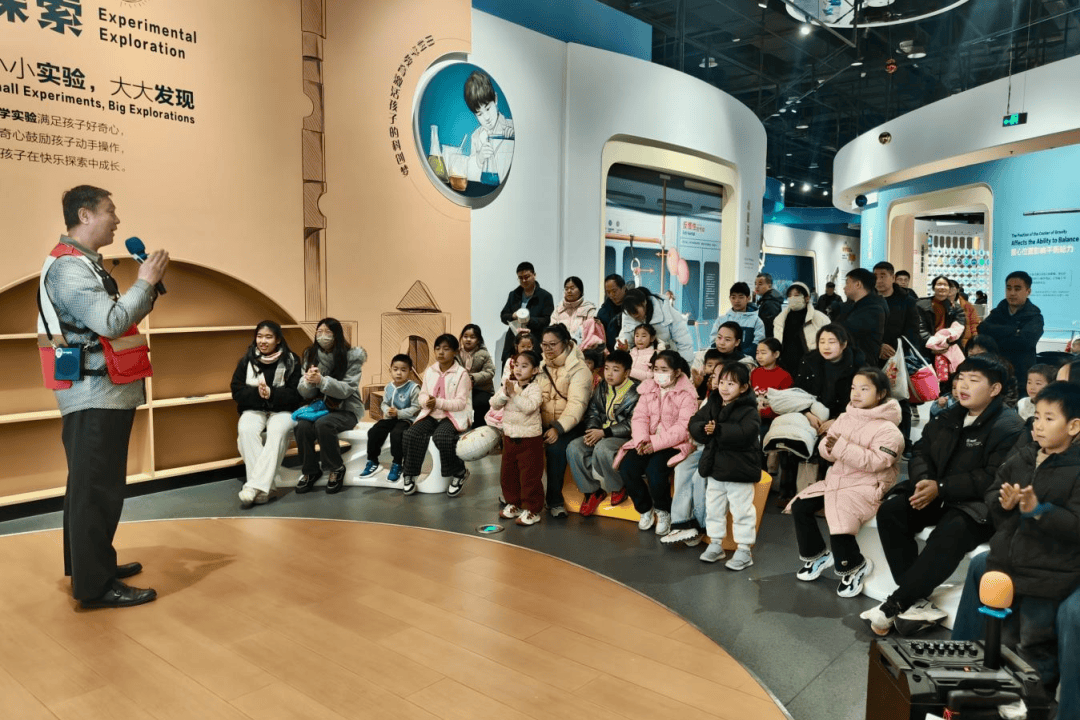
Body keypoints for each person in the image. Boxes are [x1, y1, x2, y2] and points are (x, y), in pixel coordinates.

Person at [42, 185, 168, 609]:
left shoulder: (81, 264)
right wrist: (144, 283)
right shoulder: (69, 269)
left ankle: (91, 567)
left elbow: (111, 321)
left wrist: (147, 289)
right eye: (110, 211)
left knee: (90, 487)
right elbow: (112, 322)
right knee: (97, 489)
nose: (117, 220)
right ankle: (95, 586)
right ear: (85, 215)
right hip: (94, 395)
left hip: (101, 393)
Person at [862, 355, 1024, 636]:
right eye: (960, 378)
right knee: (893, 511)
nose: (963, 385)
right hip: (939, 492)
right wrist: (924, 481)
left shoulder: (1009, 426)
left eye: (973, 380)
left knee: (953, 529)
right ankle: (916, 600)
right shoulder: (950, 415)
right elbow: (921, 451)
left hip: (979, 505)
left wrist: (942, 487)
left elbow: (993, 476)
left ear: (995, 389)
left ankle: (897, 603)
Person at [952, 382, 1080, 714]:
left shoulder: (1076, 469)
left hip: (1048, 576)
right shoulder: (1023, 455)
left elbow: (1075, 525)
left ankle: (1033, 702)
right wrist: (1003, 502)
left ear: (1074, 426)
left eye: (1049, 418)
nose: (1039, 424)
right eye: (1037, 416)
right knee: (1005, 638)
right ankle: (1002, 692)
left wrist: (1039, 511)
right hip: (1008, 566)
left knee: (1036, 646)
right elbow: (994, 492)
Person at [787, 367, 903, 597]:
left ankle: (854, 565)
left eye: (864, 389)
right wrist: (829, 447)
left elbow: (878, 461)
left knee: (840, 517)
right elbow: (828, 447)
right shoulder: (845, 417)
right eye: (853, 388)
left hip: (868, 486)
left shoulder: (889, 429)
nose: (856, 393)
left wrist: (840, 447)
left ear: (881, 394)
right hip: (837, 480)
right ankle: (818, 555)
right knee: (800, 505)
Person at [614, 349, 697, 536]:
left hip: (673, 444)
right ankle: (644, 509)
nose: (659, 374)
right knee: (627, 467)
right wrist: (642, 440)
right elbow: (639, 417)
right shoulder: (648, 389)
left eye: (664, 370)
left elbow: (683, 428)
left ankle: (663, 510)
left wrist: (655, 444)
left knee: (655, 471)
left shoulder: (687, 394)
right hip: (647, 440)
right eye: (656, 369)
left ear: (677, 372)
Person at [690, 362, 762, 568]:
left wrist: (718, 430)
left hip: (740, 469)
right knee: (714, 508)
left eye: (731, 384)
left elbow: (745, 434)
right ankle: (715, 543)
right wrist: (704, 428)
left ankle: (744, 550)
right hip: (716, 468)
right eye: (721, 382)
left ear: (744, 387)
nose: (724, 387)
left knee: (742, 511)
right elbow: (695, 421)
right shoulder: (713, 402)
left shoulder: (749, 410)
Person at [230, 321, 303, 507]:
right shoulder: (247, 360)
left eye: (268, 337)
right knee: (246, 430)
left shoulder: (292, 360)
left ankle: (253, 487)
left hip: (283, 410)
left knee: (277, 431)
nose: (263, 341)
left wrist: (272, 393)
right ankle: (266, 489)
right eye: (259, 336)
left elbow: (297, 394)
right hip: (254, 408)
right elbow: (236, 391)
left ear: (278, 340)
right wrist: (258, 394)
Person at [294, 318, 368, 495]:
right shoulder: (310, 355)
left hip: (346, 410)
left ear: (337, 335)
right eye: (319, 332)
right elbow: (304, 393)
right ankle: (310, 471)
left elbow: (347, 389)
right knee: (302, 426)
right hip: (320, 408)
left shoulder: (351, 356)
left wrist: (322, 381)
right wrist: (309, 381)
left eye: (328, 332)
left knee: (324, 424)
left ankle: (336, 468)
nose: (323, 336)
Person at [566, 350, 639, 516]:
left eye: (615, 370)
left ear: (627, 372)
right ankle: (592, 491)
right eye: (607, 368)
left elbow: (633, 423)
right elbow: (593, 411)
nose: (609, 374)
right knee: (574, 447)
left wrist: (604, 432)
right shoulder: (602, 386)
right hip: (601, 432)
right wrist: (592, 431)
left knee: (603, 448)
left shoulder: (637, 391)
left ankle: (618, 487)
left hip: (624, 437)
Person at [400, 334, 473, 497]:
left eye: (446, 349)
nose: (441, 352)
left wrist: (438, 403)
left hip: (452, 416)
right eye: (438, 348)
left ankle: (459, 473)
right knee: (410, 434)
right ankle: (409, 473)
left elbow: (461, 403)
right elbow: (422, 395)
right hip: (431, 414)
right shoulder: (430, 371)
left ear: (455, 352)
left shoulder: (462, 374)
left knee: (443, 437)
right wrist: (426, 402)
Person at [536, 324, 592, 517]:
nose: (548, 349)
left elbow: (577, 405)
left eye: (553, 344)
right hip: (541, 422)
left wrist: (558, 428)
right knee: (518, 441)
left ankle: (554, 502)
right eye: (544, 345)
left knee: (555, 449)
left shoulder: (580, 369)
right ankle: (518, 497)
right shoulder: (540, 365)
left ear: (566, 343)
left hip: (571, 425)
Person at [491, 349, 546, 526]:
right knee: (508, 475)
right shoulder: (509, 385)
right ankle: (513, 503)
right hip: (509, 438)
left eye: (524, 366)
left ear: (535, 370)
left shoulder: (535, 388)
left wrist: (514, 394)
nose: (518, 369)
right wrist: (504, 394)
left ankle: (532, 510)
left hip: (530, 440)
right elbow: (494, 404)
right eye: (516, 365)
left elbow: (530, 407)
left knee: (529, 477)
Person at [874, 261, 920, 451]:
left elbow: (913, 331)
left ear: (893, 278)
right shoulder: (869, 299)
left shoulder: (907, 301)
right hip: (872, 357)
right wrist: (877, 346)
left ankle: (905, 441)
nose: (879, 280)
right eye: (875, 276)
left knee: (900, 399)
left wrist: (896, 350)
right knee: (874, 400)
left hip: (897, 359)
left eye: (883, 276)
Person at [358, 354, 421, 483]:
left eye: (403, 370)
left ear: (409, 372)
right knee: (374, 431)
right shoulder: (389, 387)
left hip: (406, 419)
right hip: (390, 419)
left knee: (397, 434)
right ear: (390, 370)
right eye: (395, 369)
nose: (399, 373)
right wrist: (387, 410)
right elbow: (384, 403)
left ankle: (397, 464)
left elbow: (416, 407)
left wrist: (399, 413)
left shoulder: (413, 388)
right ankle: (373, 461)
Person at [978, 270, 1044, 384]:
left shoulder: (1034, 316)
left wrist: (996, 336)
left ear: (1028, 291)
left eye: (1017, 289)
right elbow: (982, 329)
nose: (1012, 293)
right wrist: (1014, 330)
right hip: (995, 371)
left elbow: (1024, 343)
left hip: (1020, 374)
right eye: (1009, 288)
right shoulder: (997, 312)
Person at [617, 287, 694, 363]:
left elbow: (684, 342)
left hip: (668, 360)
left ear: (644, 303)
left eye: (635, 311)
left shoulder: (666, 311)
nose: (634, 315)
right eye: (630, 313)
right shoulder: (627, 316)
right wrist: (623, 348)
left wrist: (684, 365)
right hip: (641, 363)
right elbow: (625, 340)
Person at [463, 69, 514, 185]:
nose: (486, 117)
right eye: (479, 114)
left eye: (487, 108)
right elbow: (470, 176)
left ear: (495, 100)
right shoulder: (476, 137)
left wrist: (513, 139)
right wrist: (479, 159)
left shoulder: (512, 129)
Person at [498, 262, 554, 363]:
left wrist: (529, 320)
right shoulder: (513, 295)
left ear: (534, 275)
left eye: (526, 277)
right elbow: (503, 316)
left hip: (534, 342)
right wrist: (513, 316)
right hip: (513, 342)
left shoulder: (545, 296)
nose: (524, 280)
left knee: (533, 368)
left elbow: (546, 320)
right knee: (509, 369)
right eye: (520, 278)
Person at [774, 281, 830, 375]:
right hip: (785, 366)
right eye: (790, 296)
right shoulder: (780, 319)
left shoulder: (820, 318)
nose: (792, 298)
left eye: (796, 295)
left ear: (807, 298)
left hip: (811, 366)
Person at [835, 268, 887, 366]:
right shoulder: (855, 305)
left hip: (863, 366)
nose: (844, 288)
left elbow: (844, 329)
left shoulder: (873, 309)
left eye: (847, 283)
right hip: (853, 363)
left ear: (858, 284)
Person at [915, 275, 966, 363]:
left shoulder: (956, 308)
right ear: (933, 288)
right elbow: (920, 329)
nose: (942, 287)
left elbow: (958, 328)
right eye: (939, 284)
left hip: (948, 349)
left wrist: (945, 344)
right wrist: (933, 346)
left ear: (949, 289)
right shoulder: (921, 305)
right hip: (926, 349)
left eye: (945, 285)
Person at [709, 282, 765, 355]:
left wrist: (741, 357)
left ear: (748, 298)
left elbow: (758, 344)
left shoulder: (756, 321)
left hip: (746, 359)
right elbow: (713, 341)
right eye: (733, 297)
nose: (736, 301)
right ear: (729, 298)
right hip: (723, 358)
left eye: (741, 297)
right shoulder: (721, 320)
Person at [457, 324, 495, 427]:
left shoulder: (483, 353)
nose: (468, 339)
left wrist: (473, 377)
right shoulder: (456, 354)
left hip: (481, 389)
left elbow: (490, 372)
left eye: (472, 337)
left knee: (480, 403)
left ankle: (479, 428)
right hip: (461, 389)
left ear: (478, 340)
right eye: (465, 336)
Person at [752, 338, 794, 428]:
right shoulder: (754, 372)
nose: (759, 356)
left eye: (763, 353)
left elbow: (784, 405)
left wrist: (762, 412)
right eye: (757, 353)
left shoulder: (785, 377)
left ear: (776, 354)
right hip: (753, 415)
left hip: (772, 420)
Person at [550, 276, 598, 347]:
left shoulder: (589, 309)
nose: (569, 291)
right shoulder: (558, 309)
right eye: (566, 289)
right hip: (561, 347)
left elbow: (590, 332)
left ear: (580, 290)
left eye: (572, 288)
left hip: (582, 348)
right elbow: (552, 330)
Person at [597, 273, 627, 352]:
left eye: (614, 291)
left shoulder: (634, 307)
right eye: (608, 292)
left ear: (624, 288)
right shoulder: (603, 312)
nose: (611, 295)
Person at [948, 279, 978, 348]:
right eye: (947, 287)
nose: (949, 289)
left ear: (957, 289)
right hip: (946, 342)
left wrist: (975, 337)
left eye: (951, 287)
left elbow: (974, 322)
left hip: (964, 342)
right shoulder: (939, 305)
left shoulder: (967, 305)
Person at [754, 273, 784, 339]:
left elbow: (769, 327)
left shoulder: (771, 302)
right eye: (755, 284)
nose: (756, 287)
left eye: (760, 284)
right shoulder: (765, 300)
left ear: (769, 286)